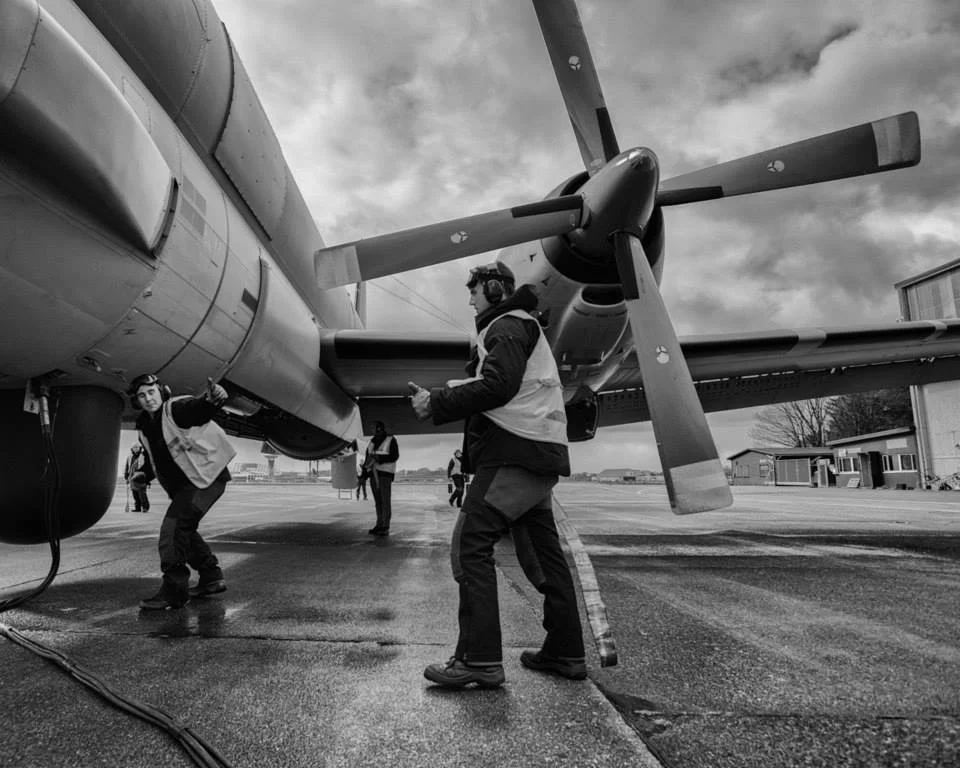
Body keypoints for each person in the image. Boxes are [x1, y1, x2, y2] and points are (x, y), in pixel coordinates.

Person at [410, 261, 585, 689]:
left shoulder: (504, 326)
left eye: (473, 291)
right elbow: (507, 386)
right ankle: (565, 651)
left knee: (469, 546)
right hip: (538, 454)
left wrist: (437, 402)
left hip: (516, 452)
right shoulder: (522, 326)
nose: (470, 300)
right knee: (544, 556)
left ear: (493, 289)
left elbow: (498, 386)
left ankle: (479, 659)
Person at [129, 373, 236, 610]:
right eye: (142, 395)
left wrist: (211, 401)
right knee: (184, 531)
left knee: (173, 530)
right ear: (137, 401)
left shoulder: (175, 409)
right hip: (188, 485)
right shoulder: (146, 427)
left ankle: (174, 592)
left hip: (206, 479)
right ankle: (211, 577)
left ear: (161, 392)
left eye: (151, 392)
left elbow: (198, 410)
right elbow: (156, 458)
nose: (148, 398)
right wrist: (143, 475)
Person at [365, 421, 399, 536]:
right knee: (378, 502)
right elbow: (367, 458)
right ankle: (379, 524)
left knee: (385, 501)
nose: (371, 430)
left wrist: (379, 458)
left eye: (373, 428)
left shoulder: (390, 440)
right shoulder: (372, 441)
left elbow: (394, 456)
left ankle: (385, 526)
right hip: (373, 474)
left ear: (379, 429)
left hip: (385, 475)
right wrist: (363, 475)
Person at [124, 443, 152, 512]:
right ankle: (138, 508)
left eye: (137, 447)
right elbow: (127, 467)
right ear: (132, 449)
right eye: (134, 448)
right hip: (132, 478)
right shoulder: (129, 457)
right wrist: (126, 477)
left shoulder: (143, 456)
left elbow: (147, 467)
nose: (136, 449)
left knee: (142, 494)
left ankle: (145, 507)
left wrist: (148, 479)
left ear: (140, 448)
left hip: (141, 477)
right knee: (135, 494)